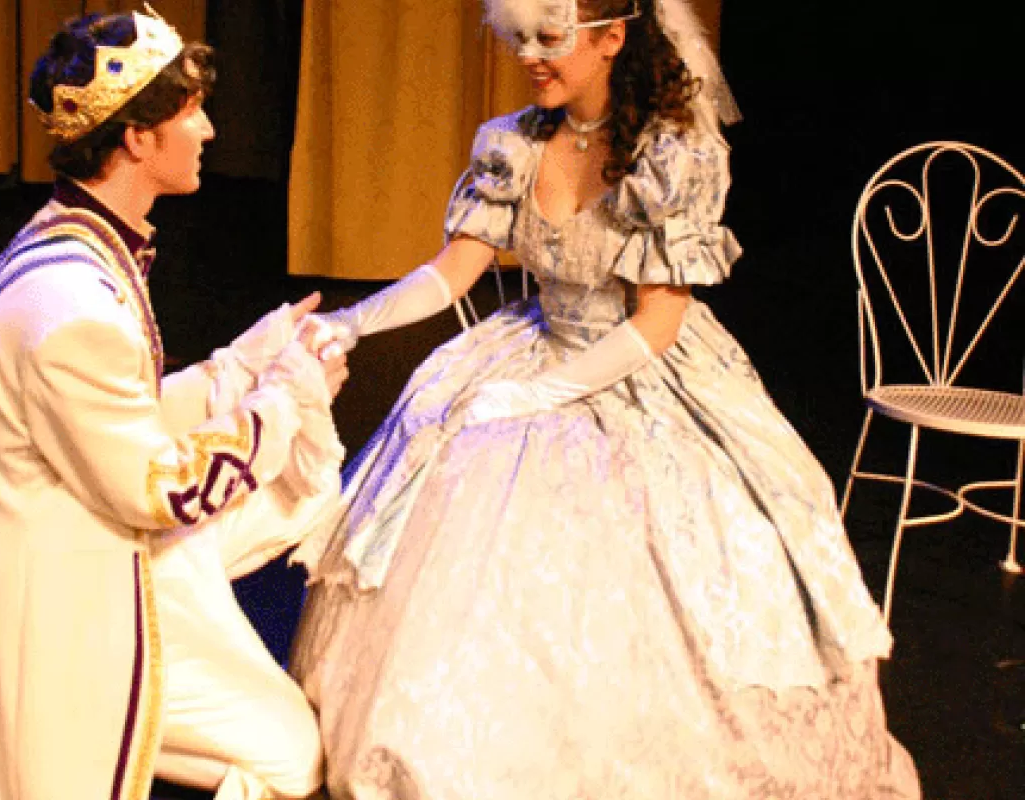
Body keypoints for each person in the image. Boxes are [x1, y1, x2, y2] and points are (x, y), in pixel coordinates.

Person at [288, 0, 922, 797]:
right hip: (536, 336)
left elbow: (657, 322)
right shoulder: (514, 144)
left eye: (550, 37)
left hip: (640, 367)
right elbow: (452, 274)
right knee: (449, 459)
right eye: (518, 38)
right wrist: (353, 320)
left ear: (612, 37)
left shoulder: (668, 156)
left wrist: (539, 394)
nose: (529, 55)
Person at [0, 8, 344, 800]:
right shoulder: (75, 303)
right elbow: (162, 489)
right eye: (190, 114)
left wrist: (236, 367)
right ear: (139, 138)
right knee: (292, 761)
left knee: (293, 505)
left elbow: (112, 417)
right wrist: (284, 396)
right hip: (69, 595)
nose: (208, 130)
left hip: (80, 538)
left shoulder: (75, 242)